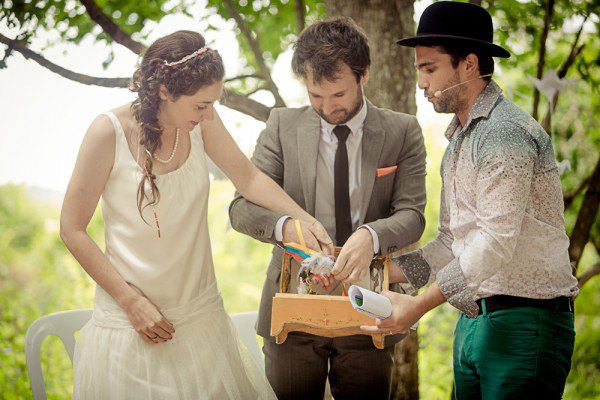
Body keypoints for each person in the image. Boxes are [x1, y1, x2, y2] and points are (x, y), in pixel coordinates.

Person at [59, 30, 333, 399]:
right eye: (201, 105)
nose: (208, 114)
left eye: (212, 104)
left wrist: (306, 220)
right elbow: (72, 229)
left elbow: (249, 178)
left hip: (202, 323)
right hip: (131, 327)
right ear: (165, 92)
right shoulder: (107, 132)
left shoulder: (204, 121)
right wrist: (130, 302)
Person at [362, 2, 579, 399]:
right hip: (472, 321)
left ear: (469, 64)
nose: (421, 83)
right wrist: (370, 270)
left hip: (524, 323)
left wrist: (417, 306)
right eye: (419, 71)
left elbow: (494, 243)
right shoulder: (459, 142)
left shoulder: (505, 134)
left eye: (430, 69)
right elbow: (449, 244)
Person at [229, 17, 427, 399]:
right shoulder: (281, 126)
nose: (326, 107)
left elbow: (412, 216)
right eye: (315, 95)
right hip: (291, 311)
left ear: (364, 74)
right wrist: (284, 227)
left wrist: (372, 236)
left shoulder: (402, 131)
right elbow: (241, 209)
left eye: (338, 95)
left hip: (369, 308)